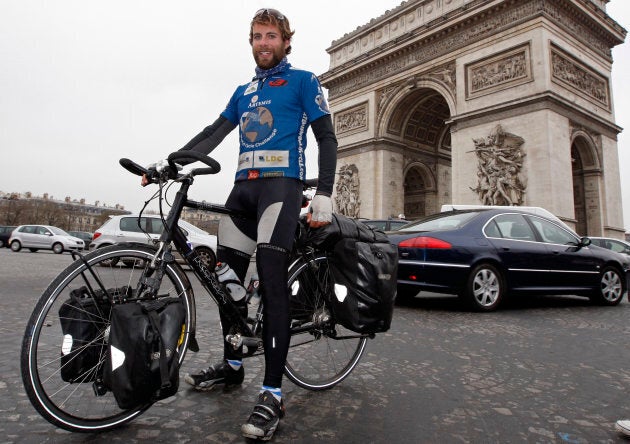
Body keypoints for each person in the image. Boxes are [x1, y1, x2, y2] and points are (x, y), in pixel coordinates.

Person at [142, 7, 337, 441]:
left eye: (271, 35)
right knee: (226, 288)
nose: (263, 43)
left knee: (269, 282)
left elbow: (326, 136)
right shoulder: (243, 90)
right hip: (242, 193)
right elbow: (214, 131)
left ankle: (272, 393)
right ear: (250, 43)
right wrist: (169, 161)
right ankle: (232, 366)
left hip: (281, 190)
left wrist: (324, 190)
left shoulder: (304, 81)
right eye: (256, 36)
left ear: (286, 41)